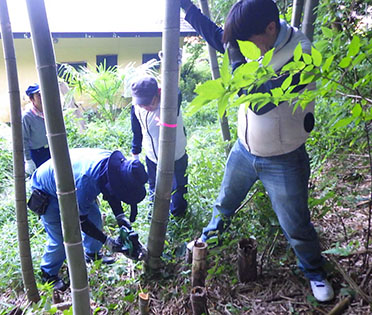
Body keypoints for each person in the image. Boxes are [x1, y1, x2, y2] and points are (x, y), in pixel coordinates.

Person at [180, 0, 334, 302]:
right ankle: (206, 240)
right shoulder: (253, 40)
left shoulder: (302, 54)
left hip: (284, 158)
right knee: (224, 202)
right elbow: (217, 37)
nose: (243, 46)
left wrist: (236, 62)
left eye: (247, 41)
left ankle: (315, 273)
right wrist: (187, 9)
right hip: (244, 150)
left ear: (270, 28)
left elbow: (261, 102)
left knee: (296, 224)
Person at [28, 148, 148, 291]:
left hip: (72, 181)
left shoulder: (113, 166)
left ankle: (92, 254)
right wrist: (107, 241)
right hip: (47, 189)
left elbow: (111, 189)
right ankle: (48, 274)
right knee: (60, 237)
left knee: (95, 218)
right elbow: (80, 221)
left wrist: (120, 217)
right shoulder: (87, 182)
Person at [130, 76, 188, 217]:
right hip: (152, 158)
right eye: (141, 104)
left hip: (176, 157)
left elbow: (177, 92)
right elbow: (136, 132)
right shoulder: (137, 108)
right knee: (154, 191)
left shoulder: (170, 104)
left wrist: (166, 89)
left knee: (178, 198)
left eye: (149, 103)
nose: (146, 107)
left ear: (158, 94)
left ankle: (179, 220)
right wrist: (135, 155)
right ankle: (156, 217)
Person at [22, 84, 50, 175]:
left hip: (51, 149)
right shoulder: (27, 116)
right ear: (31, 99)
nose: (42, 97)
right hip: (37, 153)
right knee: (39, 180)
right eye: (38, 95)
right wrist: (28, 160)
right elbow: (23, 139)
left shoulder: (50, 110)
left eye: (43, 94)